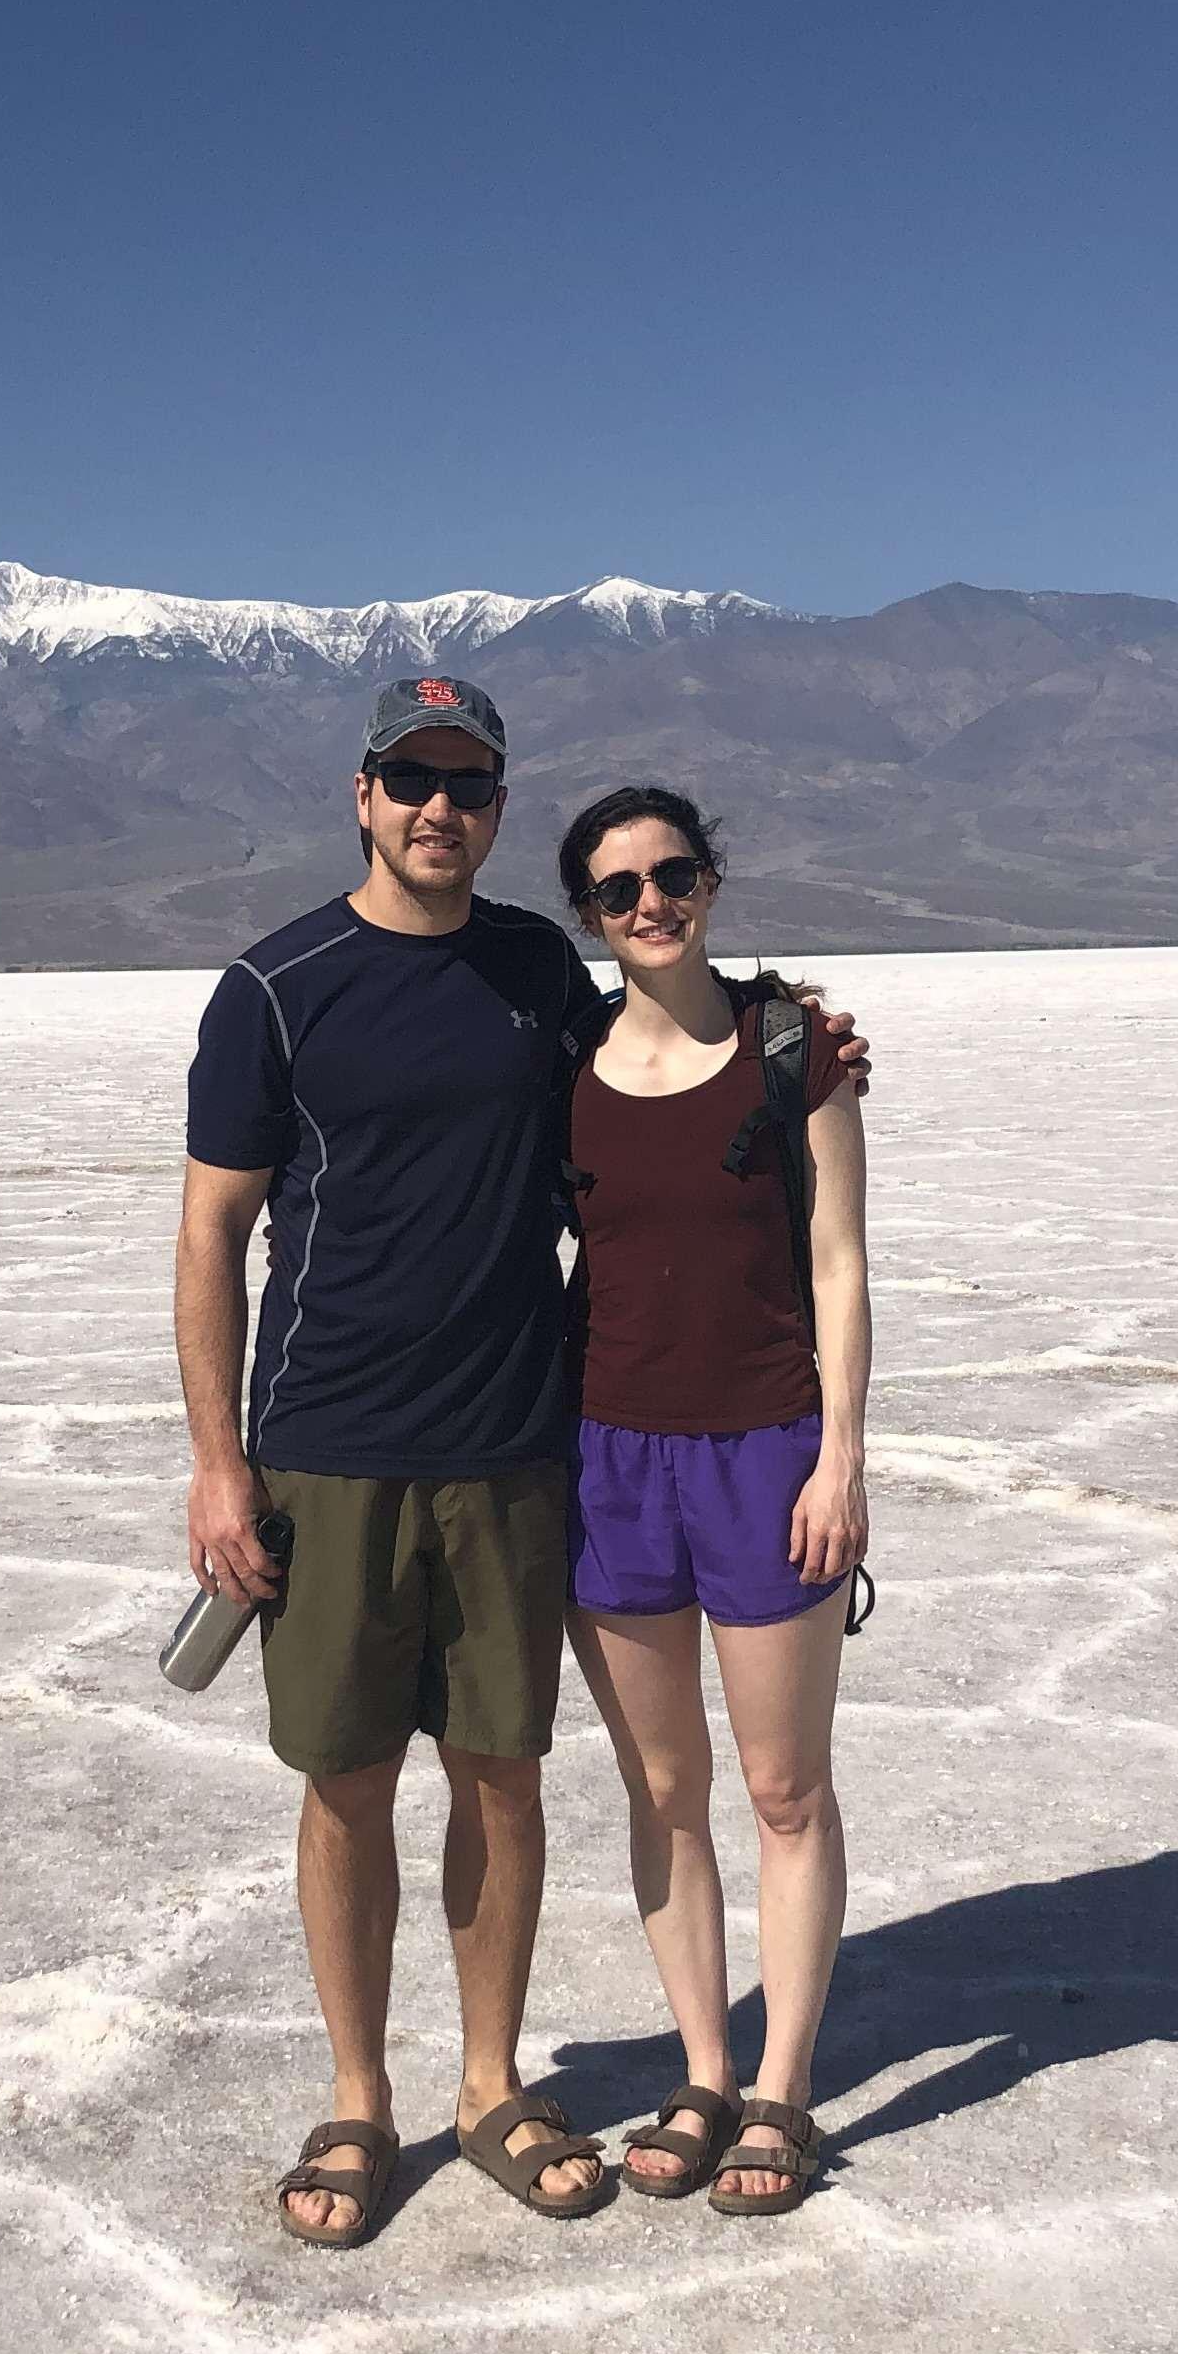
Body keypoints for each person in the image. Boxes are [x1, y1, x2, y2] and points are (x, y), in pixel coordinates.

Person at [175, 681, 865, 2248]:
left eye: (469, 783)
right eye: (411, 779)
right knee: (346, 1785)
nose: (440, 808)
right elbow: (212, 1233)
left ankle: (492, 2084)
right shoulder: (276, 989)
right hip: (331, 1449)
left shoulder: (532, 970)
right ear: (361, 795)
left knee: (505, 1772)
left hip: (515, 1447)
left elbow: (668, 1047)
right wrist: (219, 1464)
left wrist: (796, 1029)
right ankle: (363, 2100)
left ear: (495, 808)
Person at [554, 783, 870, 2220]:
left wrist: (841, 1456)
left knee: (782, 1789)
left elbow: (842, 1263)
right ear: (589, 916)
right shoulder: (564, 1059)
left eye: (672, 875)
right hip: (609, 1460)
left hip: (765, 1452)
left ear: (711, 882)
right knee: (662, 1790)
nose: (650, 905)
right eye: (618, 890)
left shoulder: (791, 1045)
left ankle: (782, 2090)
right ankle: (700, 2068)